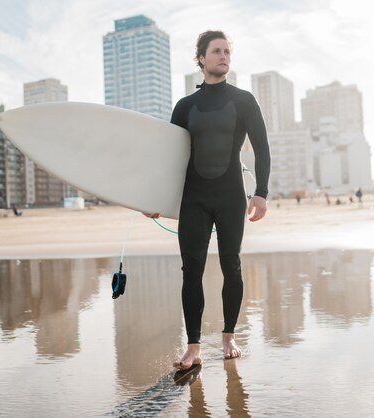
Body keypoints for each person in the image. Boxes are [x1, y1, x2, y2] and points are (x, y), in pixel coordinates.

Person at [144, 30, 270, 369]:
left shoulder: (244, 100)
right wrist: (156, 199)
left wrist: (261, 193)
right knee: (191, 271)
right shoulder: (185, 106)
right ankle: (194, 347)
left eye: (227, 51)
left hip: (231, 197)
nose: (223, 56)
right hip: (194, 199)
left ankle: (229, 337)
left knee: (232, 267)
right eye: (216, 51)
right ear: (201, 58)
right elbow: (172, 159)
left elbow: (262, 148)